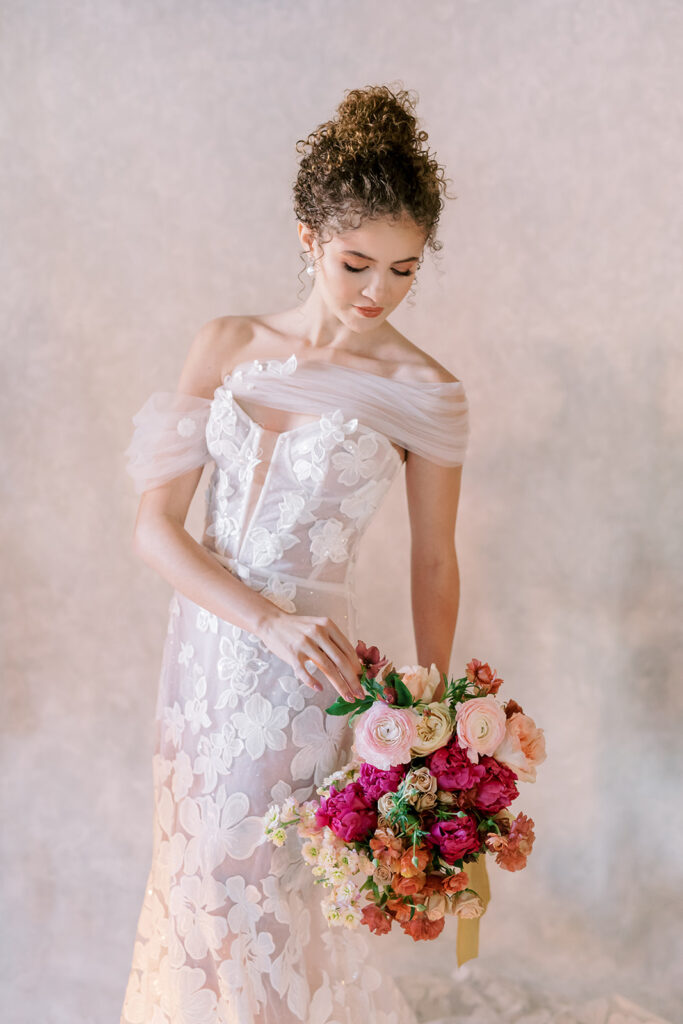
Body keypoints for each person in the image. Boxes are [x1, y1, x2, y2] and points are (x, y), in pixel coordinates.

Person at [119, 83, 477, 1024]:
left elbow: (433, 563)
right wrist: (260, 620)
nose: (376, 293)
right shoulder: (226, 345)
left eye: (404, 271)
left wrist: (426, 725)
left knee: (274, 893)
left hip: (316, 675)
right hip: (204, 661)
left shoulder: (424, 392)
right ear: (307, 237)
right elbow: (155, 528)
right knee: (195, 880)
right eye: (357, 262)